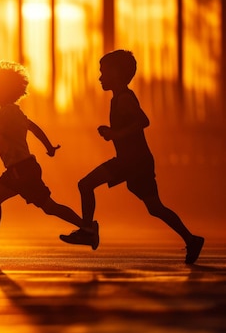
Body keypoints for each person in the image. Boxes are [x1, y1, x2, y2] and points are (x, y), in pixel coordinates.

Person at [60, 49, 204, 264]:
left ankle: (88, 229)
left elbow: (143, 121)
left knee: (85, 184)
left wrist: (116, 133)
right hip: (137, 160)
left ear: (116, 73)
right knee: (155, 208)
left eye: (103, 72)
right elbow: (133, 125)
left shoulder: (124, 98)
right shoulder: (119, 98)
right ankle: (191, 240)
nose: (100, 77)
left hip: (132, 160)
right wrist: (112, 132)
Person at [0, 60, 87, 255]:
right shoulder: (16, 112)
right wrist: (48, 147)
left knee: (46, 206)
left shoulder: (3, 114)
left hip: (21, 170)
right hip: (22, 168)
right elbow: (34, 128)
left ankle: (86, 227)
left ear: (4, 91)